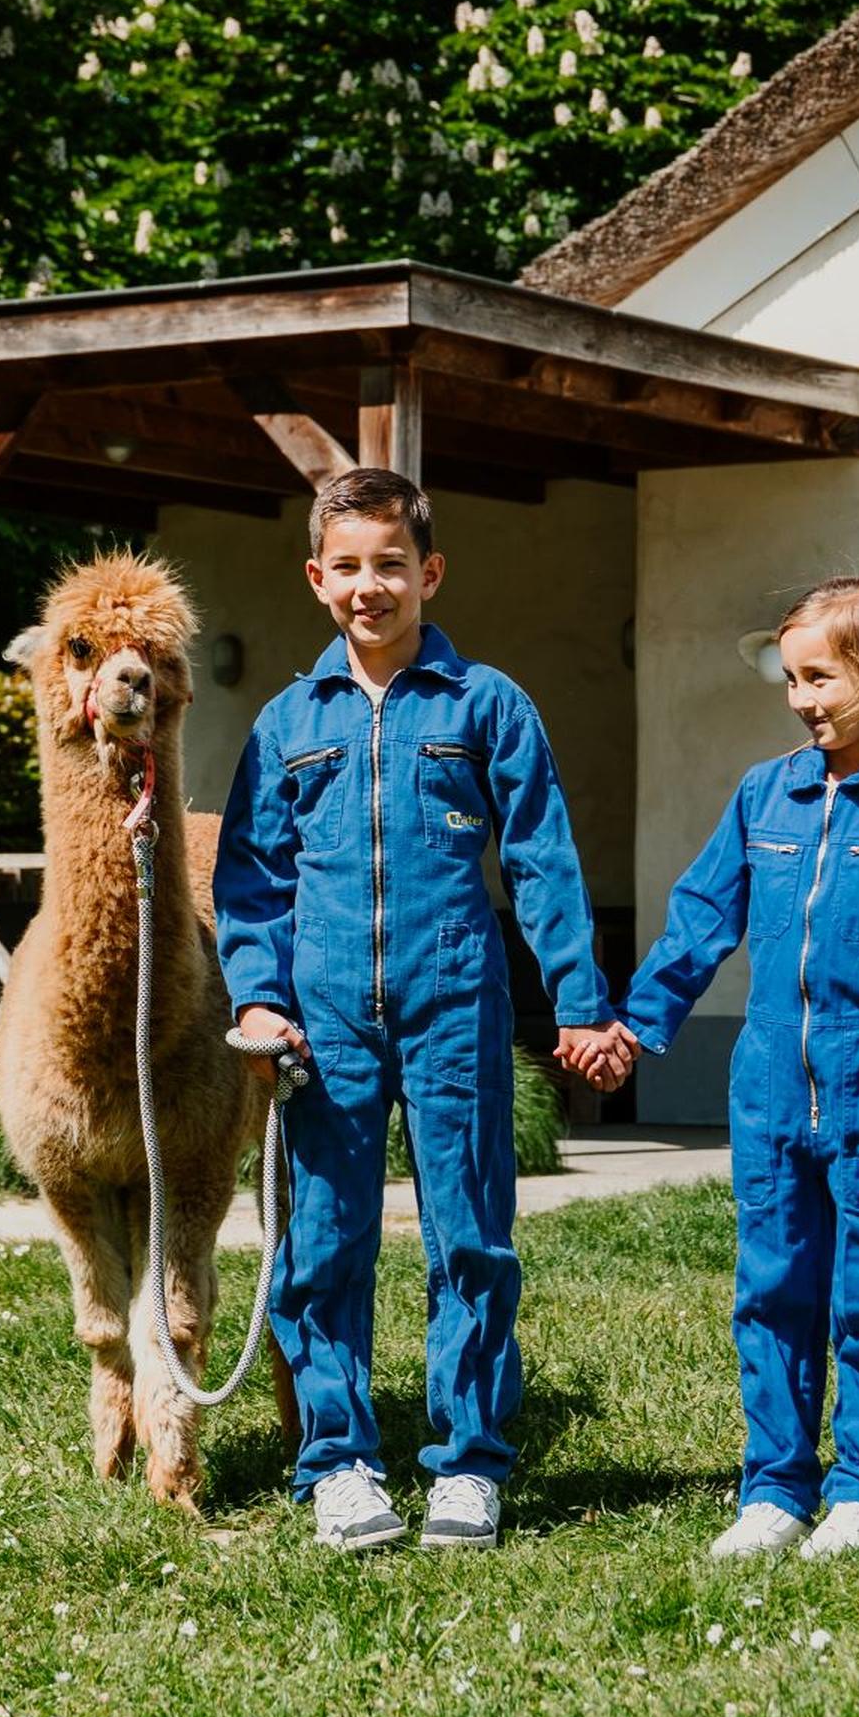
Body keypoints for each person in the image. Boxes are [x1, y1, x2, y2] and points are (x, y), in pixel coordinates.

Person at [557, 578, 859, 1561]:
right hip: (765, 1095)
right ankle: (775, 1488)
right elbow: (699, 920)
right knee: (772, 1292)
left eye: (820, 678)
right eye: (792, 679)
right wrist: (631, 1030)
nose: (801, 699)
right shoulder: (766, 794)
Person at [215, 466, 612, 1552]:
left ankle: (469, 1464)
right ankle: (339, 1463)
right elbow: (252, 879)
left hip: (457, 1008)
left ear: (430, 572)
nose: (370, 586)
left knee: (471, 1239)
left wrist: (579, 1002)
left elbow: (542, 862)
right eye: (347, 566)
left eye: (391, 564)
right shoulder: (287, 723)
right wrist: (260, 998)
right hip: (324, 1021)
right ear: (315, 578)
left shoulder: (488, 705)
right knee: (322, 1245)